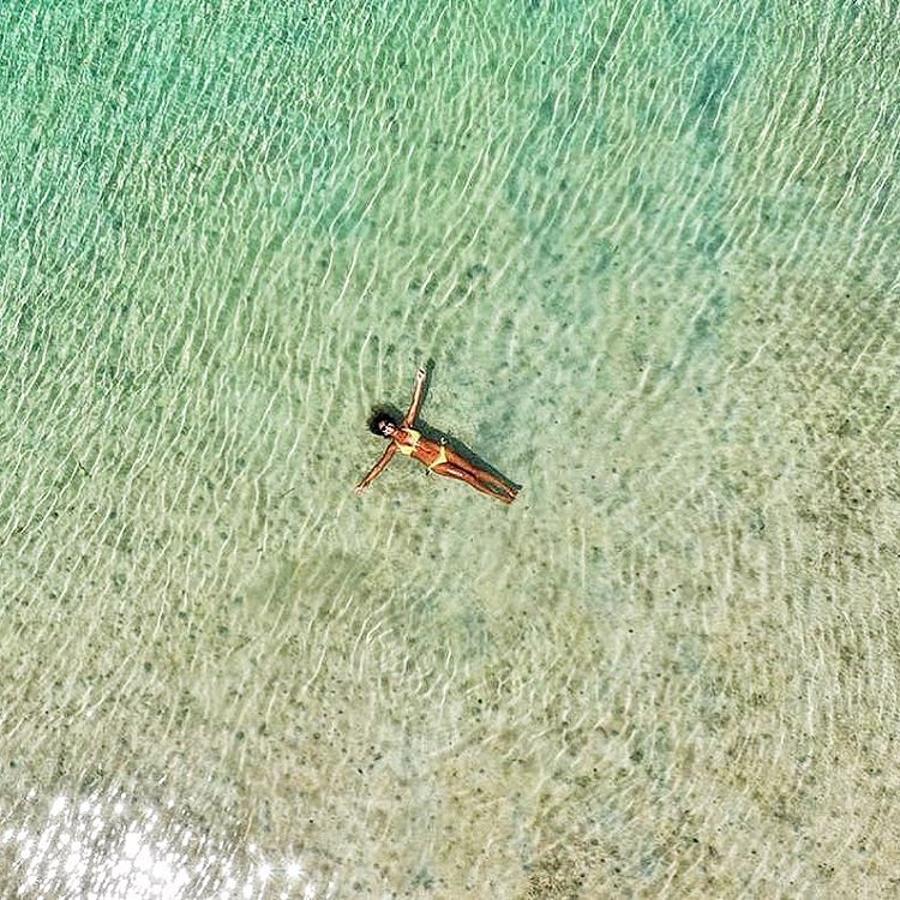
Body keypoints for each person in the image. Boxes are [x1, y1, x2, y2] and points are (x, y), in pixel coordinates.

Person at [354, 366, 519, 504]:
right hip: (435, 465)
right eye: (384, 429)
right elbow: (379, 466)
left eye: (387, 424)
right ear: (383, 434)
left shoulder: (407, 425)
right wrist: (365, 483)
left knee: (474, 470)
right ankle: (500, 497)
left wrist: (420, 381)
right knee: (467, 477)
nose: (388, 428)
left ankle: (509, 488)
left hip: (443, 451)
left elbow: (415, 403)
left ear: (391, 421)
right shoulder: (394, 447)